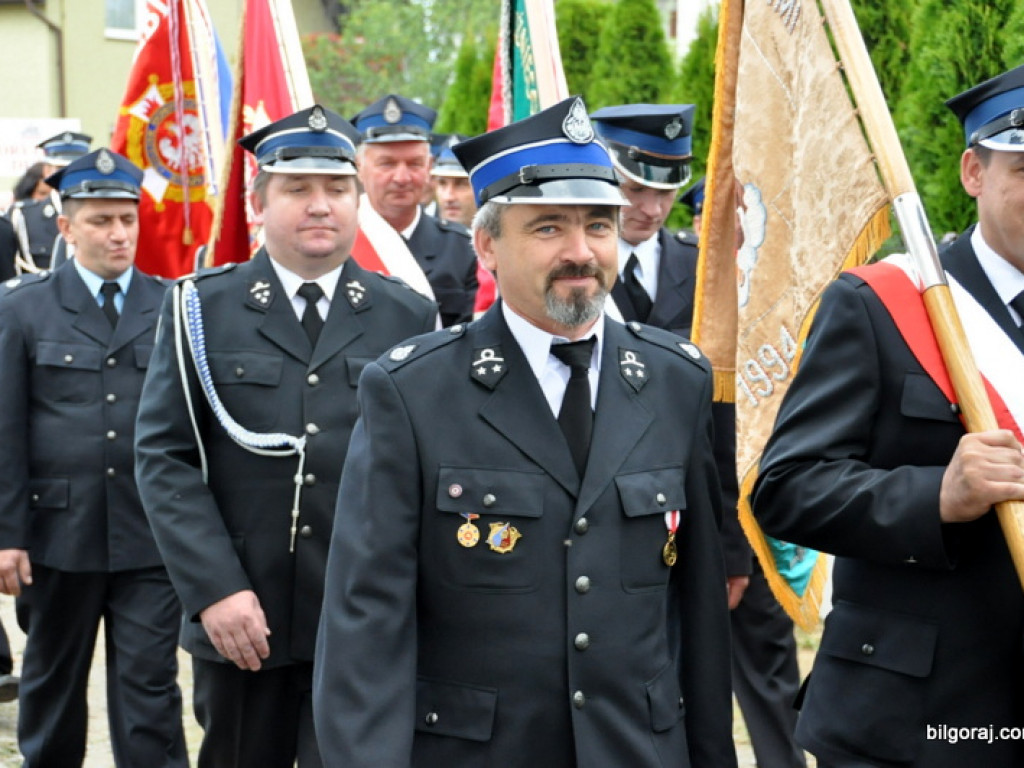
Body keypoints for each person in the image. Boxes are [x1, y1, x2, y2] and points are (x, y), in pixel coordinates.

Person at [313, 96, 736, 768]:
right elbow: (366, 625)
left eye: (599, 226)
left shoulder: (675, 381)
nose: (581, 252)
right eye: (547, 229)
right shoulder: (413, 392)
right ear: (486, 244)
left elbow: (700, 618)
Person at [134, 105, 439, 768]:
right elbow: (165, 458)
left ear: (358, 199)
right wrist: (214, 588)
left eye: (336, 188)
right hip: (244, 617)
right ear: (258, 201)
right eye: (296, 189)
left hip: (360, 614)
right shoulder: (199, 307)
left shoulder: (406, 314)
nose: (319, 206)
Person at [752, 64, 1024, 767]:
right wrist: (937, 495)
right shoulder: (884, 304)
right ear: (973, 171)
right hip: (919, 719)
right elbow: (786, 487)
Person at [591, 103, 807, 768]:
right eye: (635, 189)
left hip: (718, 509)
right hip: (612, 518)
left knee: (764, 675)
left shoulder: (713, 273)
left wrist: (734, 545)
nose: (651, 208)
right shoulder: (572, 270)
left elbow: (733, 421)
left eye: (665, 191)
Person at [0, 148, 187, 766]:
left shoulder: (174, 306)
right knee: (52, 683)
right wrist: (8, 535)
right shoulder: (22, 308)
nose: (118, 234)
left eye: (127, 220)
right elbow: (6, 427)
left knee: (150, 690)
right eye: (101, 220)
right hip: (57, 532)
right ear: (66, 227)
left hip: (149, 532)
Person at [352, 94, 478, 326]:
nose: (401, 178)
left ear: (429, 166)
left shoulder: (462, 249)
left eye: (414, 164)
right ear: (359, 167)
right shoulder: (334, 241)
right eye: (387, 164)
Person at [8, 131, 91, 274]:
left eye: (77, 168)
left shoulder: (105, 215)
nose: (69, 175)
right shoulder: (23, 216)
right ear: (47, 171)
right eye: (61, 169)